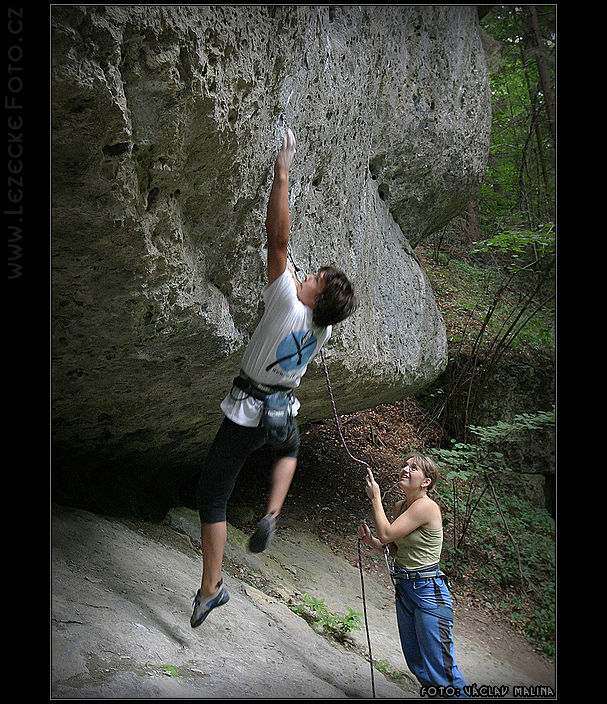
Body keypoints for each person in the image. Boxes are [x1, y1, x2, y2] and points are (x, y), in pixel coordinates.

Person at [191, 127, 357, 628]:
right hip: (281, 411)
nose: (306, 276)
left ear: (312, 297)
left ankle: (210, 587)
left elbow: (278, 240)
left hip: (247, 407)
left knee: (212, 495)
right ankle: (273, 512)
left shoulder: (287, 300)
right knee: (288, 449)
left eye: (315, 280)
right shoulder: (321, 331)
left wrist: (282, 172)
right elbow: (297, 264)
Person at [358, 454, 469, 697]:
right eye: (405, 465)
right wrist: (371, 541)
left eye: (413, 467)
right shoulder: (401, 507)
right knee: (417, 663)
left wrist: (375, 498)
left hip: (429, 592)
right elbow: (394, 548)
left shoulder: (426, 507)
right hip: (406, 591)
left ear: (426, 482)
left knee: (441, 670)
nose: (405, 469)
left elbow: (387, 533)